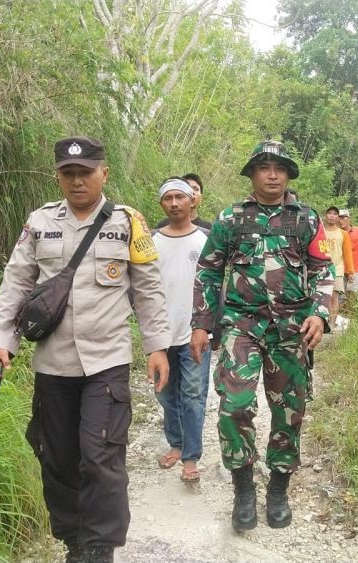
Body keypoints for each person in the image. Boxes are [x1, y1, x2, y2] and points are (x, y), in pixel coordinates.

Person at [0, 136, 171, 563]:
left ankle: (100, 548)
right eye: (68, 173)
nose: (77, 180)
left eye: (85, 172)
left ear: (104, 173)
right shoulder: (40, 222)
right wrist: (0, 342)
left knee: (101, 457)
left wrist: (157, 345)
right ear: (58, 177)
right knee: (59, 459)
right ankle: (74, 542)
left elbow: (148, 289)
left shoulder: (129, 222)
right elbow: (16, 283)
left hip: (107, 362)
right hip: (54, 364)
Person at [190, 140, 333, 532]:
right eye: (264, 167)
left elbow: (323, 270)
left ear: (288, 175)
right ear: (252, 174)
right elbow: (208, 271)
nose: (273, 174)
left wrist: (320, 314)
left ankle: (278, 488)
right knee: (234, 406)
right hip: (242, 325)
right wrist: (201, 324)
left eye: (280, 168)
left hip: (291, 329)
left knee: (289, 410)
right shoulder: (231, 218)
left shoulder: (306, 219)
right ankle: (243, 489)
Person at [151, 177, 211, 483]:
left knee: (192, 394)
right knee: (164, 394)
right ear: (161, 203)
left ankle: (190, 456)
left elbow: (216, 287)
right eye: (168, 198)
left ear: (192, 201)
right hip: (160, 336)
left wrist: (211, 327)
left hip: (196, 334)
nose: (174, 203)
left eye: (180, 197)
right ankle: (175, 441)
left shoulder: (206, 240)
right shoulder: (150, 241)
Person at [322, 206, 355, 328]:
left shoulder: (343, 234)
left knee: (334, 297)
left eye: (335, 214)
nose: (331, 216)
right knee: (322, 297)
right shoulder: (320, 231)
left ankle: (331, 324)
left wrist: (350, 271)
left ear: (338, 218)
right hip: (321, 268)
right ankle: (322, 322)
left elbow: (347, 254)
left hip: (337, 269)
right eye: (329, 213)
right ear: (326, 216)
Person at [339, 209, 358, 307]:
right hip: (340, 269)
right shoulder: (336, 232)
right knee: (340, 296)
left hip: (356, 268)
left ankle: (350, 316)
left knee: (352, 294)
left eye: (343, 218)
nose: (340, 220)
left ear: (349, 219)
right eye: (339, 218)